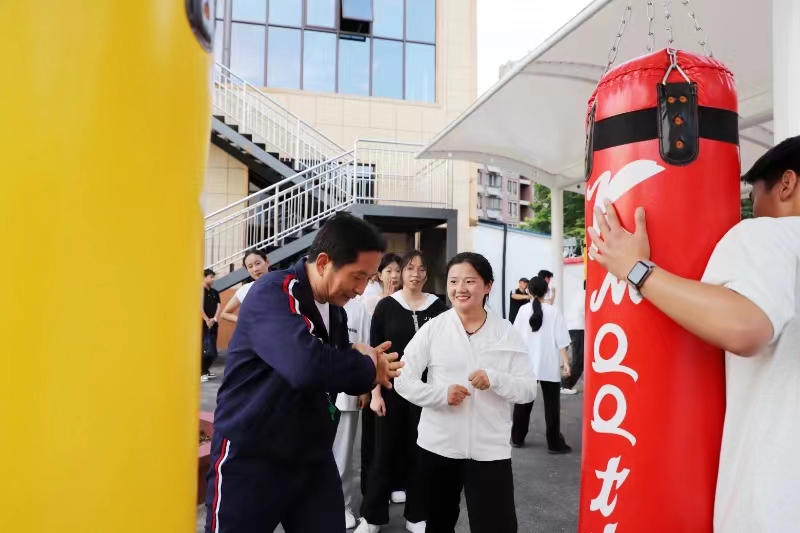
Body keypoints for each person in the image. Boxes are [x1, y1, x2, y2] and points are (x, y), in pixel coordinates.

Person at [587, 136, 800, 533]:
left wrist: (637, 270)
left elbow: (745, 325)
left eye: (754, 195)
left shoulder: (770, 233)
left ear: (786, 184)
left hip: (776, 507)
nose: (751, 209)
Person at [204, 213, 405, 533]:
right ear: (324, 262)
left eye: (369, 278)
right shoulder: (274, 291)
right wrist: (366, 366)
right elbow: (306, 365)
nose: (361, 288)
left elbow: (334, 373)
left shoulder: (335, 311)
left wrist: (363, 364)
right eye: (357, 276)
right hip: (253, 454)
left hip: (311, 455)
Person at [395, 252, 537, 533]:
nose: (460, 288)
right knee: (438, 523)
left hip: (489, 450)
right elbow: (403, 378)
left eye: (470, 281)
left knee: (497, 526)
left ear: (488, 286)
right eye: (454, 281)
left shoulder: (506, 333)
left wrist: (495, 379)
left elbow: (528, 389)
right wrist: (440, 394)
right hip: (439, 447)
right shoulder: (433, 329)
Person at [357, 251, 448, 533]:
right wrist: (375, 394)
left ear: (427, 275)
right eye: (410, 268)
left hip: (425, 392)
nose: (415, 273)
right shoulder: (386, 306)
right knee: (382, 453)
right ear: (402, 272)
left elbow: (446, 352)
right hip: (390, 388)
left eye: (422, 269)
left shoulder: (439, 307)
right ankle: (372, 517)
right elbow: (374, 352)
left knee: (421, 453)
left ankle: (417, 514)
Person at [359, 252, 402, 499]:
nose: (394, 275)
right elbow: (371, 341)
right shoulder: (371, 300)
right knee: (375, 439)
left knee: (397, 436)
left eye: (398, 270)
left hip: (398, 375)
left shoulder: (408, 300)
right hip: (376, 376)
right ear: (379, 274)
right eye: (389, 271)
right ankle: (373, 489)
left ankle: (395, 483)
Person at [511, 277, 572, 453]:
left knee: (523, 403)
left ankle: (517, 438)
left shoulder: (523, 311)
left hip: (526, 366)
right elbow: (562, 342)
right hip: (549, 366)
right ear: (546, 291)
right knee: (552, 406)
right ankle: (554, 444)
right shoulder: (554, 312)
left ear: (529, 291)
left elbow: (515, 339)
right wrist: (566, 363)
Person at [334, 297, 373, 529]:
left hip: (347, 394)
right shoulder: (311, 301)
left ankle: (342, 504)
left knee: (343, 455)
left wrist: (365, 388)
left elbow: (366, 348)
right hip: (313, 394)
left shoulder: (359, 308)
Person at [220, 249, 269, 323]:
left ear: (267, 262)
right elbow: (224, 314)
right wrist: (245, 321)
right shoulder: (245, 289)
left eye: (258, 263)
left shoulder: (284, 283)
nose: (255, 269)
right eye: (250, 266)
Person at [561, 281, 586, 395]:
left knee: (579, 359)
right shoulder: (586, 295)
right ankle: (565, 384)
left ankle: (565, 384)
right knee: (579, 360)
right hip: (578, 328)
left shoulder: (579, 293)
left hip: (573, 327)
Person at [202, 269, 222, 382]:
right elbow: (198, 307)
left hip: (213, 324)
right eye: (211, 277)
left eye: (213, 277)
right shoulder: (198, 291)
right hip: (202, 325)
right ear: (204, 277)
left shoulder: (215, 292)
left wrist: (214, 319)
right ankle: (201, 372)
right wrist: (206, 320)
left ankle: (205, 371)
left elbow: (219, 306)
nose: (213, 279)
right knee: (204, 350)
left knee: (212, 351)